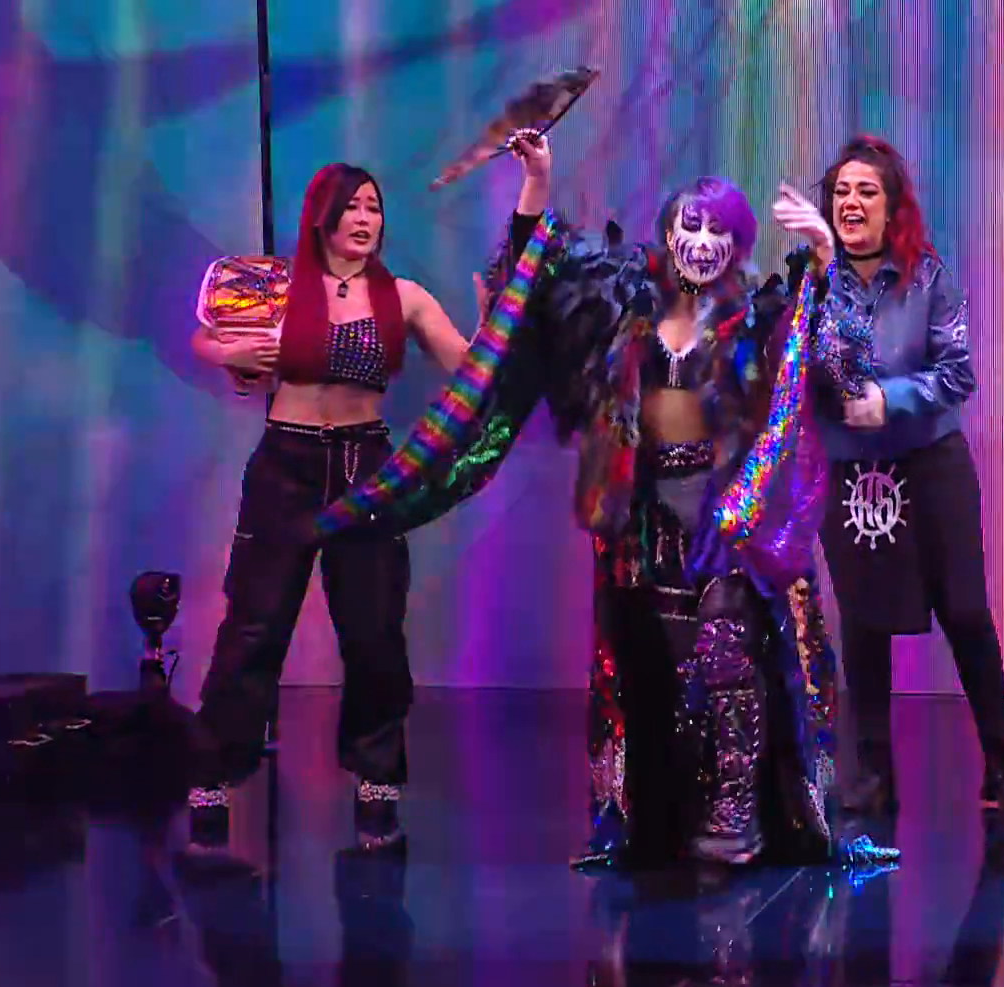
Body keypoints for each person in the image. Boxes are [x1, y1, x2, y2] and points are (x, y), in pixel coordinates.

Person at [359, 159, 896, 870]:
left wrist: (825, 257)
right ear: (669, 233)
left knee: (728, 653)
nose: (702, 242)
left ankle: (736, 812)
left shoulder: (761, 316)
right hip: (645, 514)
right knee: (651, 666)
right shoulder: (623, 308)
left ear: (738, 244)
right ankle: (662, 817)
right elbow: (533, 292)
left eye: (718, 231)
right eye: (690, 225)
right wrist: (537, 185)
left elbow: (837, 363)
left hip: (730, 512)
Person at [184, 144, 551, 852]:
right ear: (322, 217)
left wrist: (490, 328)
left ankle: (376, 778)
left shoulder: (404, 296)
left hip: (368, 471)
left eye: (374, 208)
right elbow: (207, 338)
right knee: (254, 628)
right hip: (286, 467)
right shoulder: (280, 286)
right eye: (351, 206)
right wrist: (230, 354)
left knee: (374, 632)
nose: (364, 218)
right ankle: (214, 774)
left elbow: (469, 370)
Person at [809, 134, 1004, 818]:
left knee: (965, 610)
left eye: (866, 191)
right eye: (841, 192)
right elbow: (801, 366)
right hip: (851, 473)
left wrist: (889, 399)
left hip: (931, 465)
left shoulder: (930, 279)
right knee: (863, 622)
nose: (851, 203)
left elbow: (957, 373)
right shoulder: (811, 282)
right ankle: (873, 775)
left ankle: (1003, 765)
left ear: (892, 208)